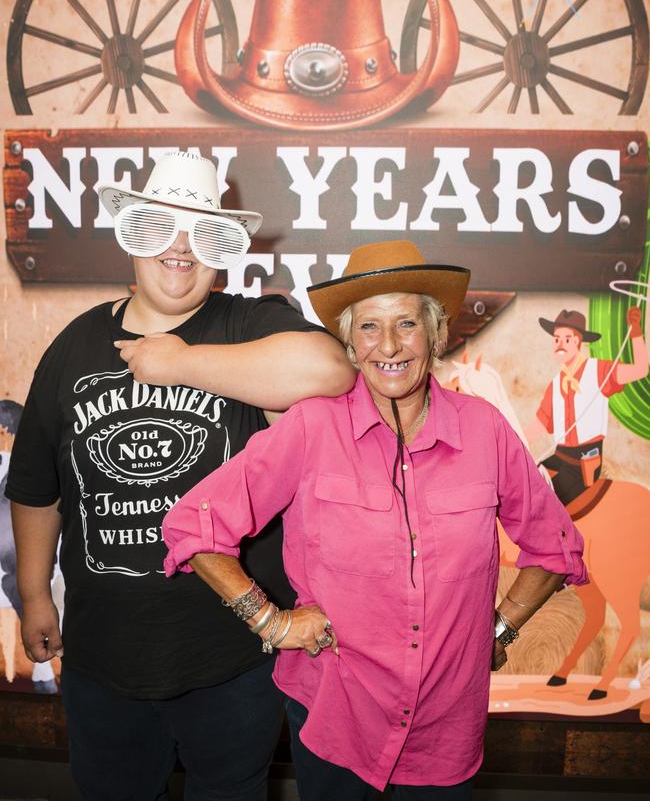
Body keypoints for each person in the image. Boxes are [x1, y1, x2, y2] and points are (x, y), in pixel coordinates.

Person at [163, 240, 587, 801]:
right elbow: (196, 524)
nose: (388, 345)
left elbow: (555, 546)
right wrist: (272, 623)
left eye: (407, 323)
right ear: (349, 341)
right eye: (369, 327)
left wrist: (500, 628)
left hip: (445, 731)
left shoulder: (484, 430)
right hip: (334, 719)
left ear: (436, 335)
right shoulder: (311, 427)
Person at [7, 151, 354, 801]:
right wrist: (32, 594)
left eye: (202, 233)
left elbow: (330, 369)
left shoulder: (247, 323)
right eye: (159, 227)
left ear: (223, 250)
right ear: (130, 236)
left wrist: (182, 363)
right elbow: (36, 484)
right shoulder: (74, 346)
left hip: (229, 659)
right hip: (102, 657)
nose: (180, 248)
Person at [525, 308, 648, 505]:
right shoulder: (555, 384)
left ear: (578, 341)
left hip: (584, 461)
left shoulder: (599, 371)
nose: (560, 345)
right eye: (556, 339)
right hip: (560, 456)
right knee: (526, 482)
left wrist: (635, 333)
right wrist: (514, 441)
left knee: (545, 502)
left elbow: (639, 370)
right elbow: (540, 424)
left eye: (567, 339)